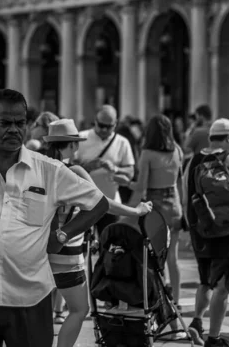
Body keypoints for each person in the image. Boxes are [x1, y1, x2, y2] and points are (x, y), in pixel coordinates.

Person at [0, 89, 110, 347]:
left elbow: (99, 203)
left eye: (20, 123)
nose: (13, 130)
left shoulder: (49, 170)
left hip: (30, 299)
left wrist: (62, 235)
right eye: (4, 123)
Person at [43, 119, 153, 346]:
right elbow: (103, 203)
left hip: (37, 250)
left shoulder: (38, 169)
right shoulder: (74, 171)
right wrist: (136, 210)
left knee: (41, 311)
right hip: (67, 252)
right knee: (78, 309)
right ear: (73, 145)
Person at [183, 118, 229, 347]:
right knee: (222, 287)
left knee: (205, 281)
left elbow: (186, 195)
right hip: (227, 232)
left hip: (200, 229)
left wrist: (192, 225)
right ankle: (214, 338)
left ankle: (196, 321)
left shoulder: (194, 159)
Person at [115, 114, 186, 337]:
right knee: (172, 258)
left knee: (156, 262)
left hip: (156, 211)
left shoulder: (147, 153)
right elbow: (181, 184)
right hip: (174, 207)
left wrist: (123, 181)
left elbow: (142, 188)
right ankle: (177, 302)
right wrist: (183, 211)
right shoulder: (178, 150)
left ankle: (163, 307)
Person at [75, 105, 135, 237]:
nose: (103, 129)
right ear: (95, 121)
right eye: (100, 125)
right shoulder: (80, 138)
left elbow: (131, 172)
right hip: (83, 203)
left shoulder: (122, 142)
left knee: (109, 247)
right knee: (81, 247)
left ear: (115, 124)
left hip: (111, 203)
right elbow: (68, 168)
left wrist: (116, 168)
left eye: (108, 127)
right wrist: (87, 167)